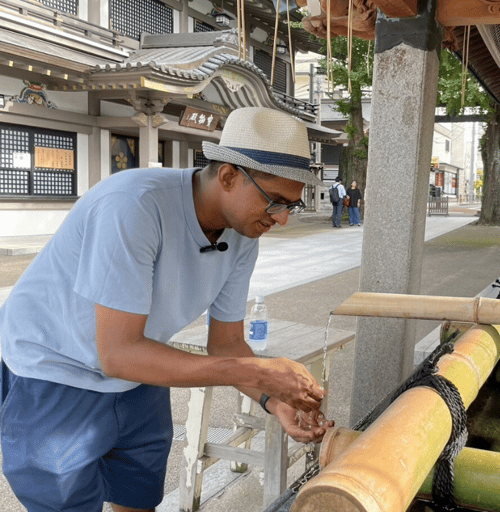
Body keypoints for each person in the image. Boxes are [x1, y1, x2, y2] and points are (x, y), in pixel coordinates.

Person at [0, 107, 335, 512]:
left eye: (290, 206)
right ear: (229, 175)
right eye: (274, 201)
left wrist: (275, 402)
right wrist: (259, 371)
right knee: (65, 503)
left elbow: (226, 345)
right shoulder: (134, 204)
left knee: (138, 494)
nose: (281, 219)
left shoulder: (244, 232)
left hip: (139, 369)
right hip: (55, 368)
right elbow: (118, 353)